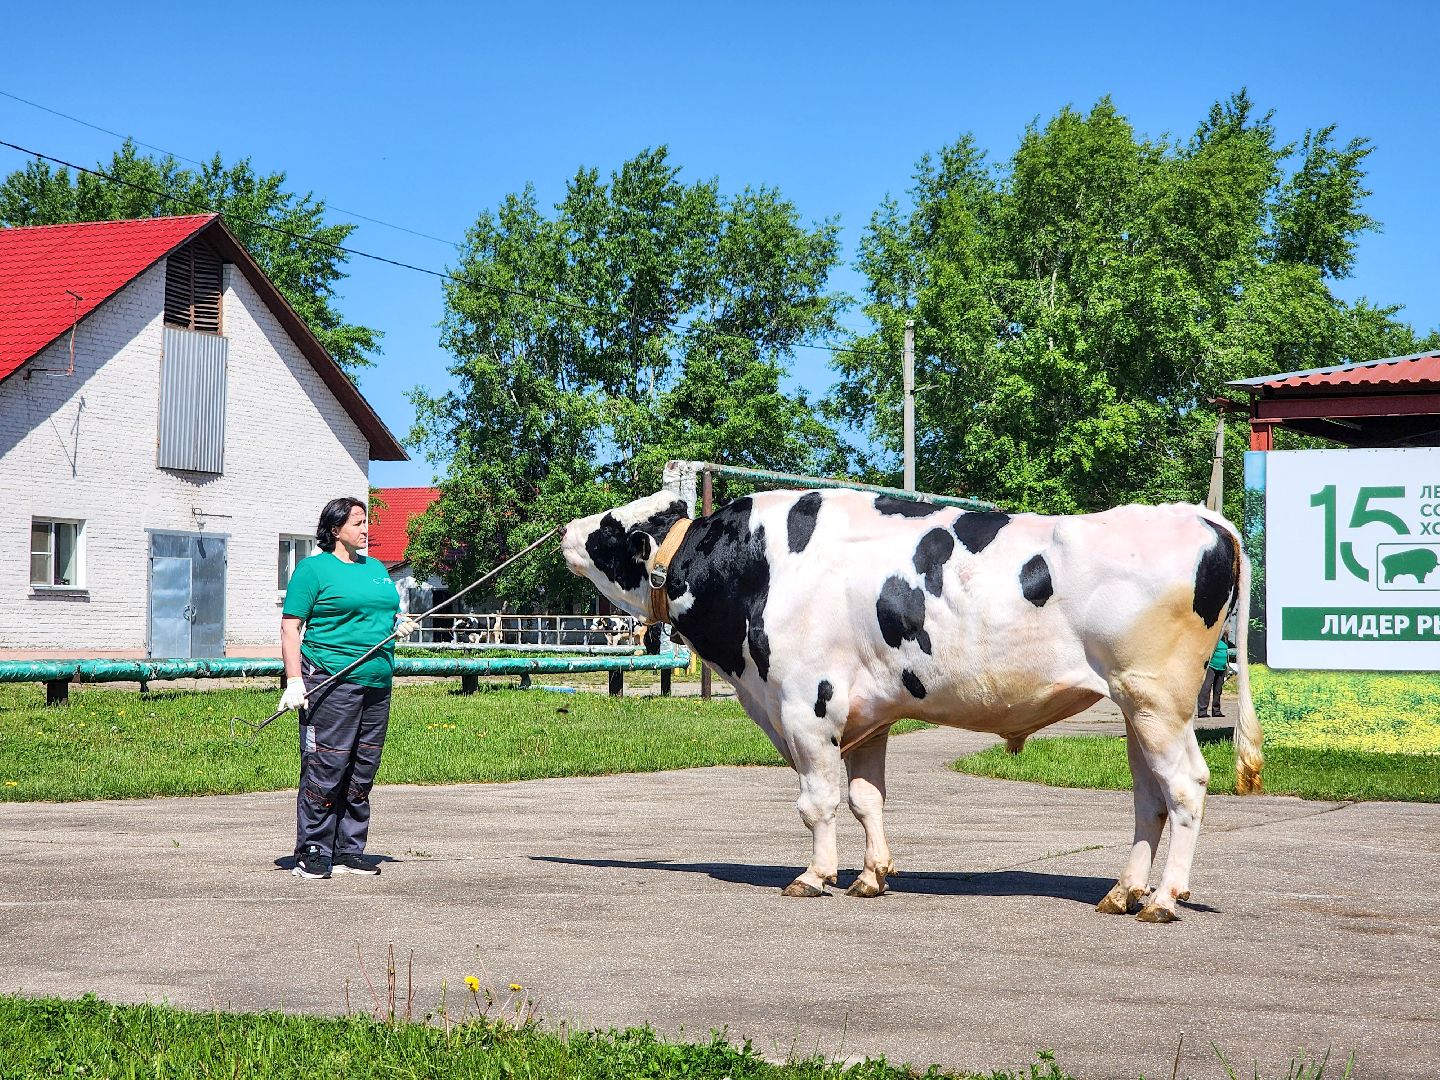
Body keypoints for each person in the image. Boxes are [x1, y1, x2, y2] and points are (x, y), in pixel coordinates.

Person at [277, 497, 416, 879]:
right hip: (330, 679)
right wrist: (294, 681)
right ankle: (312, 850)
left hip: (376, 681)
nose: (365, 528)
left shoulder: (375, 570)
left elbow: (383, 612)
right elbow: (291, 629)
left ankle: (349, 849)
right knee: (327, 766)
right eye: (357, 522)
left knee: (362, 769)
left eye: (365, 521)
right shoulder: (313, 570)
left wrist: (398, 623)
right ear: (335, 529)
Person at [1196, 635, 1231, 720]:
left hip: (1222, 668)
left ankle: (1216, 711)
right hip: (1211, 667)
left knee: (1218, 690)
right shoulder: (1213, 639)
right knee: (1206, 688)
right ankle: (1202, 711)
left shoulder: (1225, 640)